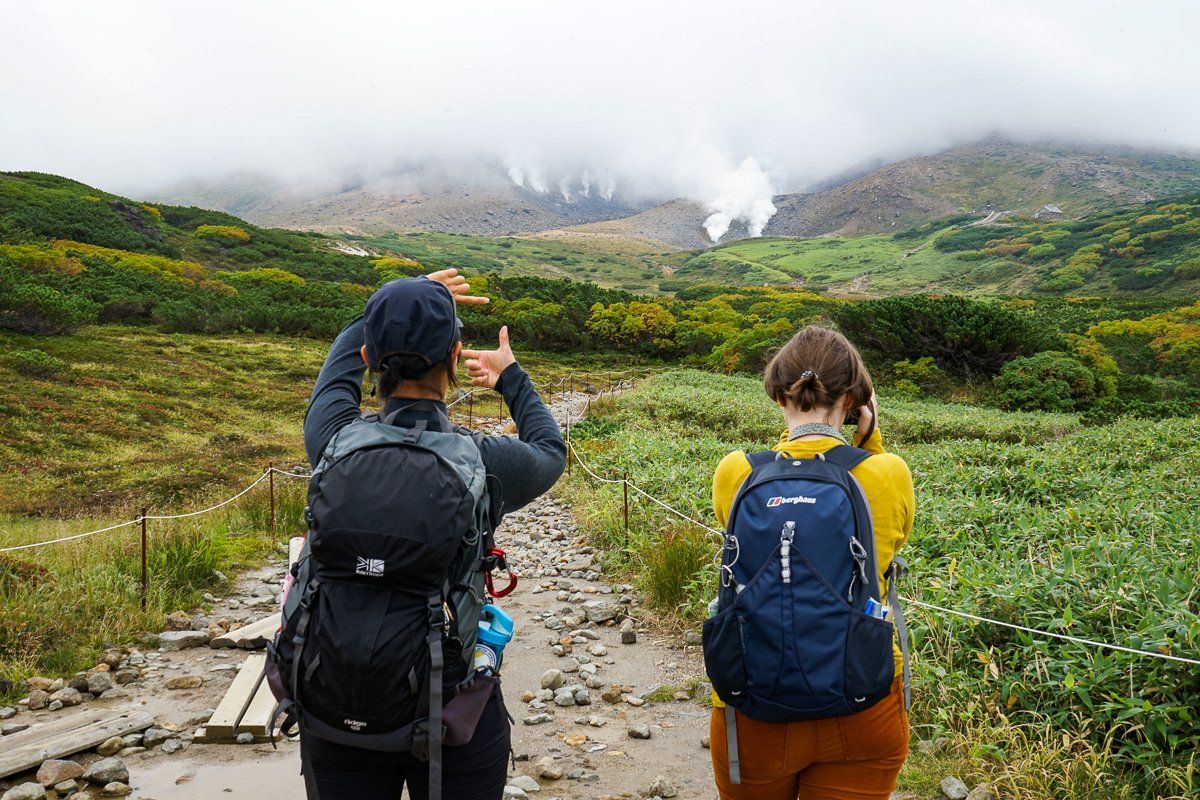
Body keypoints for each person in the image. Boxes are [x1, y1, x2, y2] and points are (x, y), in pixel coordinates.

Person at [297, 268, 566, 800]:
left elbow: (334, 380)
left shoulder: (331, 440)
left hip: (334, 701)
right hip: (450, 709)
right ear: (455, 357)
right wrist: (510, 376)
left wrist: (387, 302)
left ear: (369, 358)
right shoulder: (483, 461)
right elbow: (550, 450)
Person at [707, 325, 915, 800]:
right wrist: (868, 440)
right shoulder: (887, 472)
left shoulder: (737, 471)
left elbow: (788, 468)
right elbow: (889, 537)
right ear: (854, 399)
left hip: (753, 701)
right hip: (863, 701)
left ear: (779, 394)